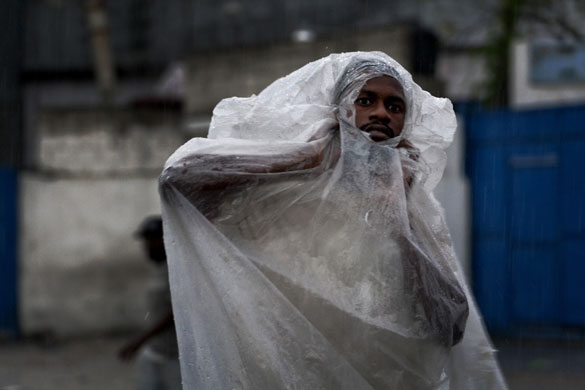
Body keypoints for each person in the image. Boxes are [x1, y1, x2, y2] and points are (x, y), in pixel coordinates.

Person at [159, 52, 507, 389]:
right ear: (338, 108)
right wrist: (306, 159)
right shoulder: (289, 187)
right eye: (365, 100)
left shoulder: (412, 206)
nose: (381, 113)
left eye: (394, 106)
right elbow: (178, 179)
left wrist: (395, 220)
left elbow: (451, 325)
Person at [118, 216, 181, 390]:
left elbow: (174, 312)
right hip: (155, 351)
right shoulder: (160, 269)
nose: (147, 246)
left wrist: (140, 340)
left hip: (174, 355)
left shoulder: (176, 269)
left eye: (152, 240)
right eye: (146, 241)